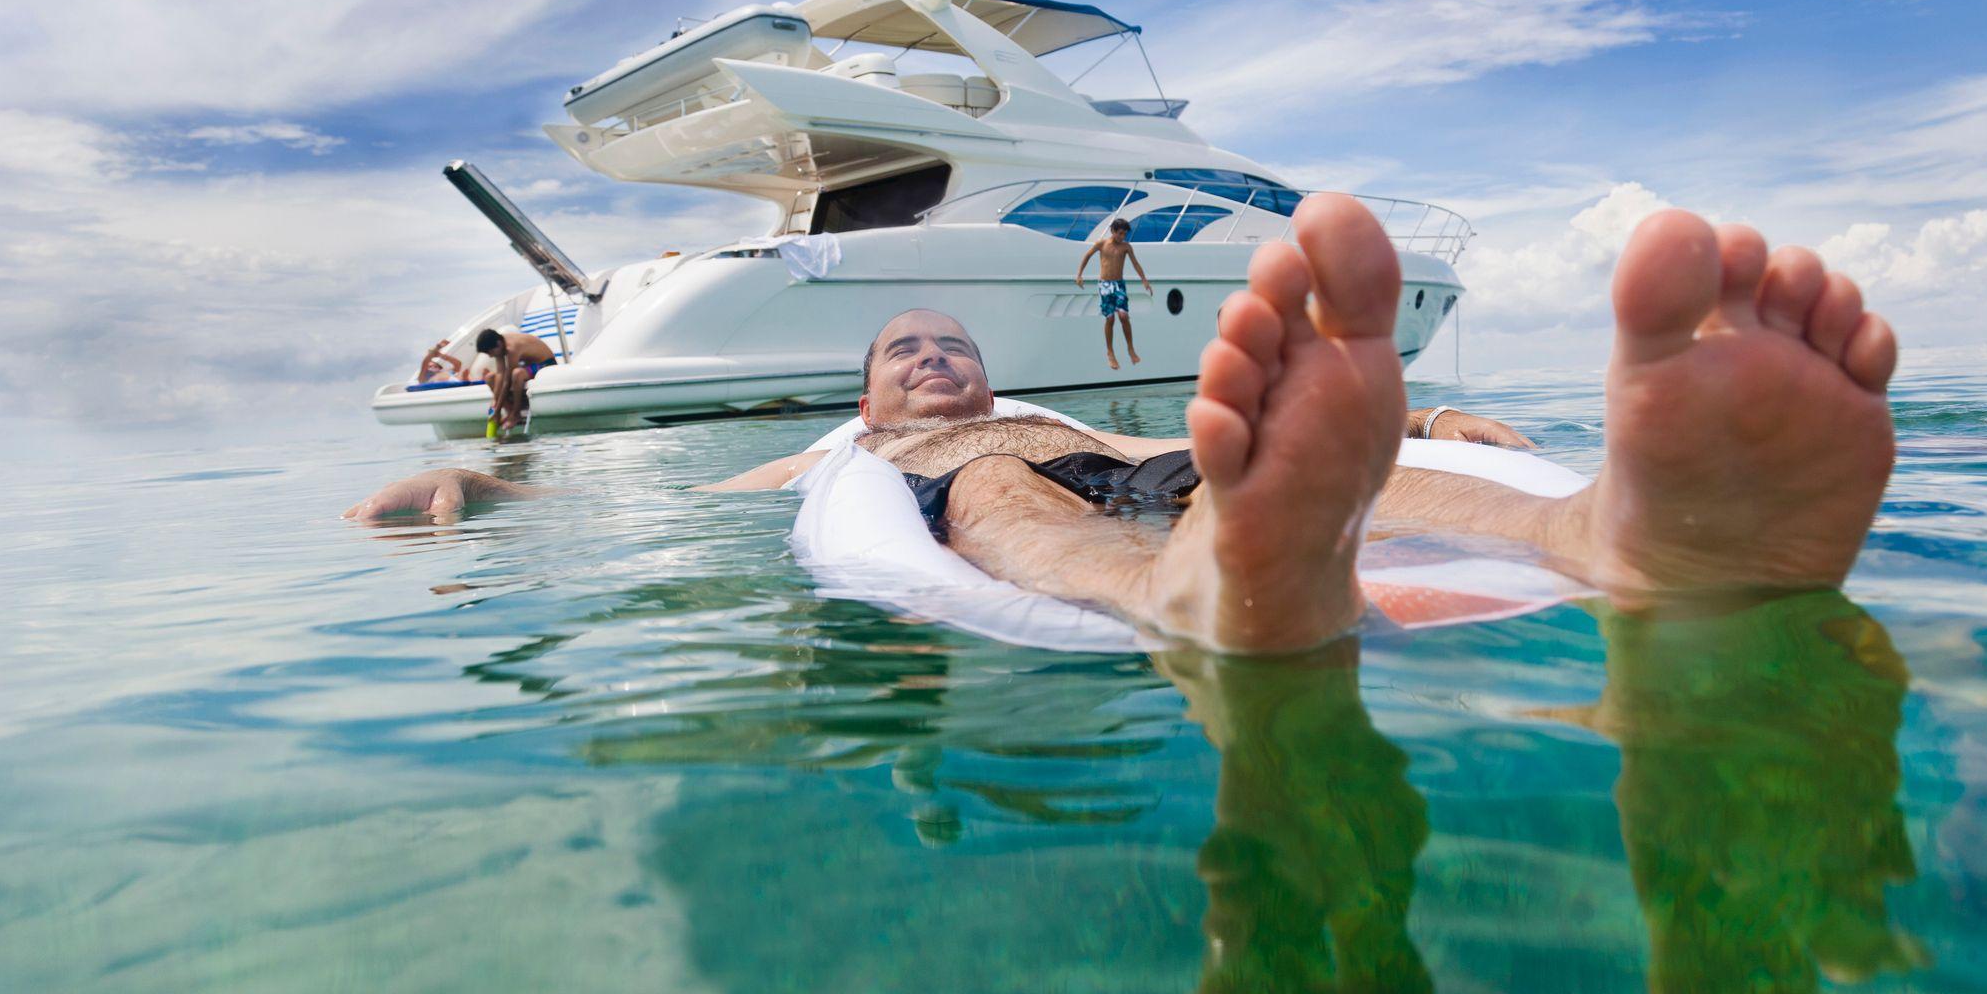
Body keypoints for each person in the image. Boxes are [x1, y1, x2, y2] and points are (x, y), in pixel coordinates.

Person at [349, 194, 1899, 657]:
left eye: (952, 343)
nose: (939, 359)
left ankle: (1609, 533)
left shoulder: (1028, 397)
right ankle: (1183, 589)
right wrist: (476, 488)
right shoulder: (858, 452)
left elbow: (1249, 435)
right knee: (1021, 499)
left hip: (1153, 465)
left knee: (1304, 457)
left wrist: (1444, 422)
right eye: (908, 350)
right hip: (1018, 504)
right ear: (868, 390)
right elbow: (643, 511)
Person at [1076, 217, 1153, 369]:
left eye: (1124, 234)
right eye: (1120, 233)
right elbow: (1087, 256)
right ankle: (1110, 352)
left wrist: (1144, 280)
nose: (1122, 237)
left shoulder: (1126, 247)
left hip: (1119, 285)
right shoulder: (1102, 244)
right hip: (1104, 284)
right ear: (1112, 231)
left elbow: (1135, 263)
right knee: (1110, 319)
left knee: (1123, 316)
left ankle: (1130, 348)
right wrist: (1079, 274)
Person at [472, 326, 558, 431]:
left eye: (490, 353)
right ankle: (509, 411)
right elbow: (500, 374)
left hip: (546, 364)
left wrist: (497, 409)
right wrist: (495, 402)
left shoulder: (511, 348)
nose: (490, 356)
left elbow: (506, 382)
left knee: (517, 374)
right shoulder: (499, 344)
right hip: (529, 365)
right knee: (490, 378)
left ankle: (515, 413)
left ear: (498, 344)